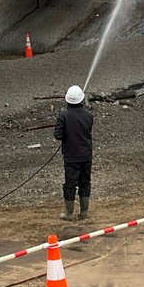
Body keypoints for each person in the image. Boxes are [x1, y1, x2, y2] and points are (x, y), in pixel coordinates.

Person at [53, 85, 93, 221]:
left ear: (68, 100)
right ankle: (84, 213)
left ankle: (69, 214)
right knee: (85, 182)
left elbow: (57, 135)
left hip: (71, 156)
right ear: (81, 100)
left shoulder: (63, 115)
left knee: (70, 184)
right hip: (86, 154)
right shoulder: (89, 115)